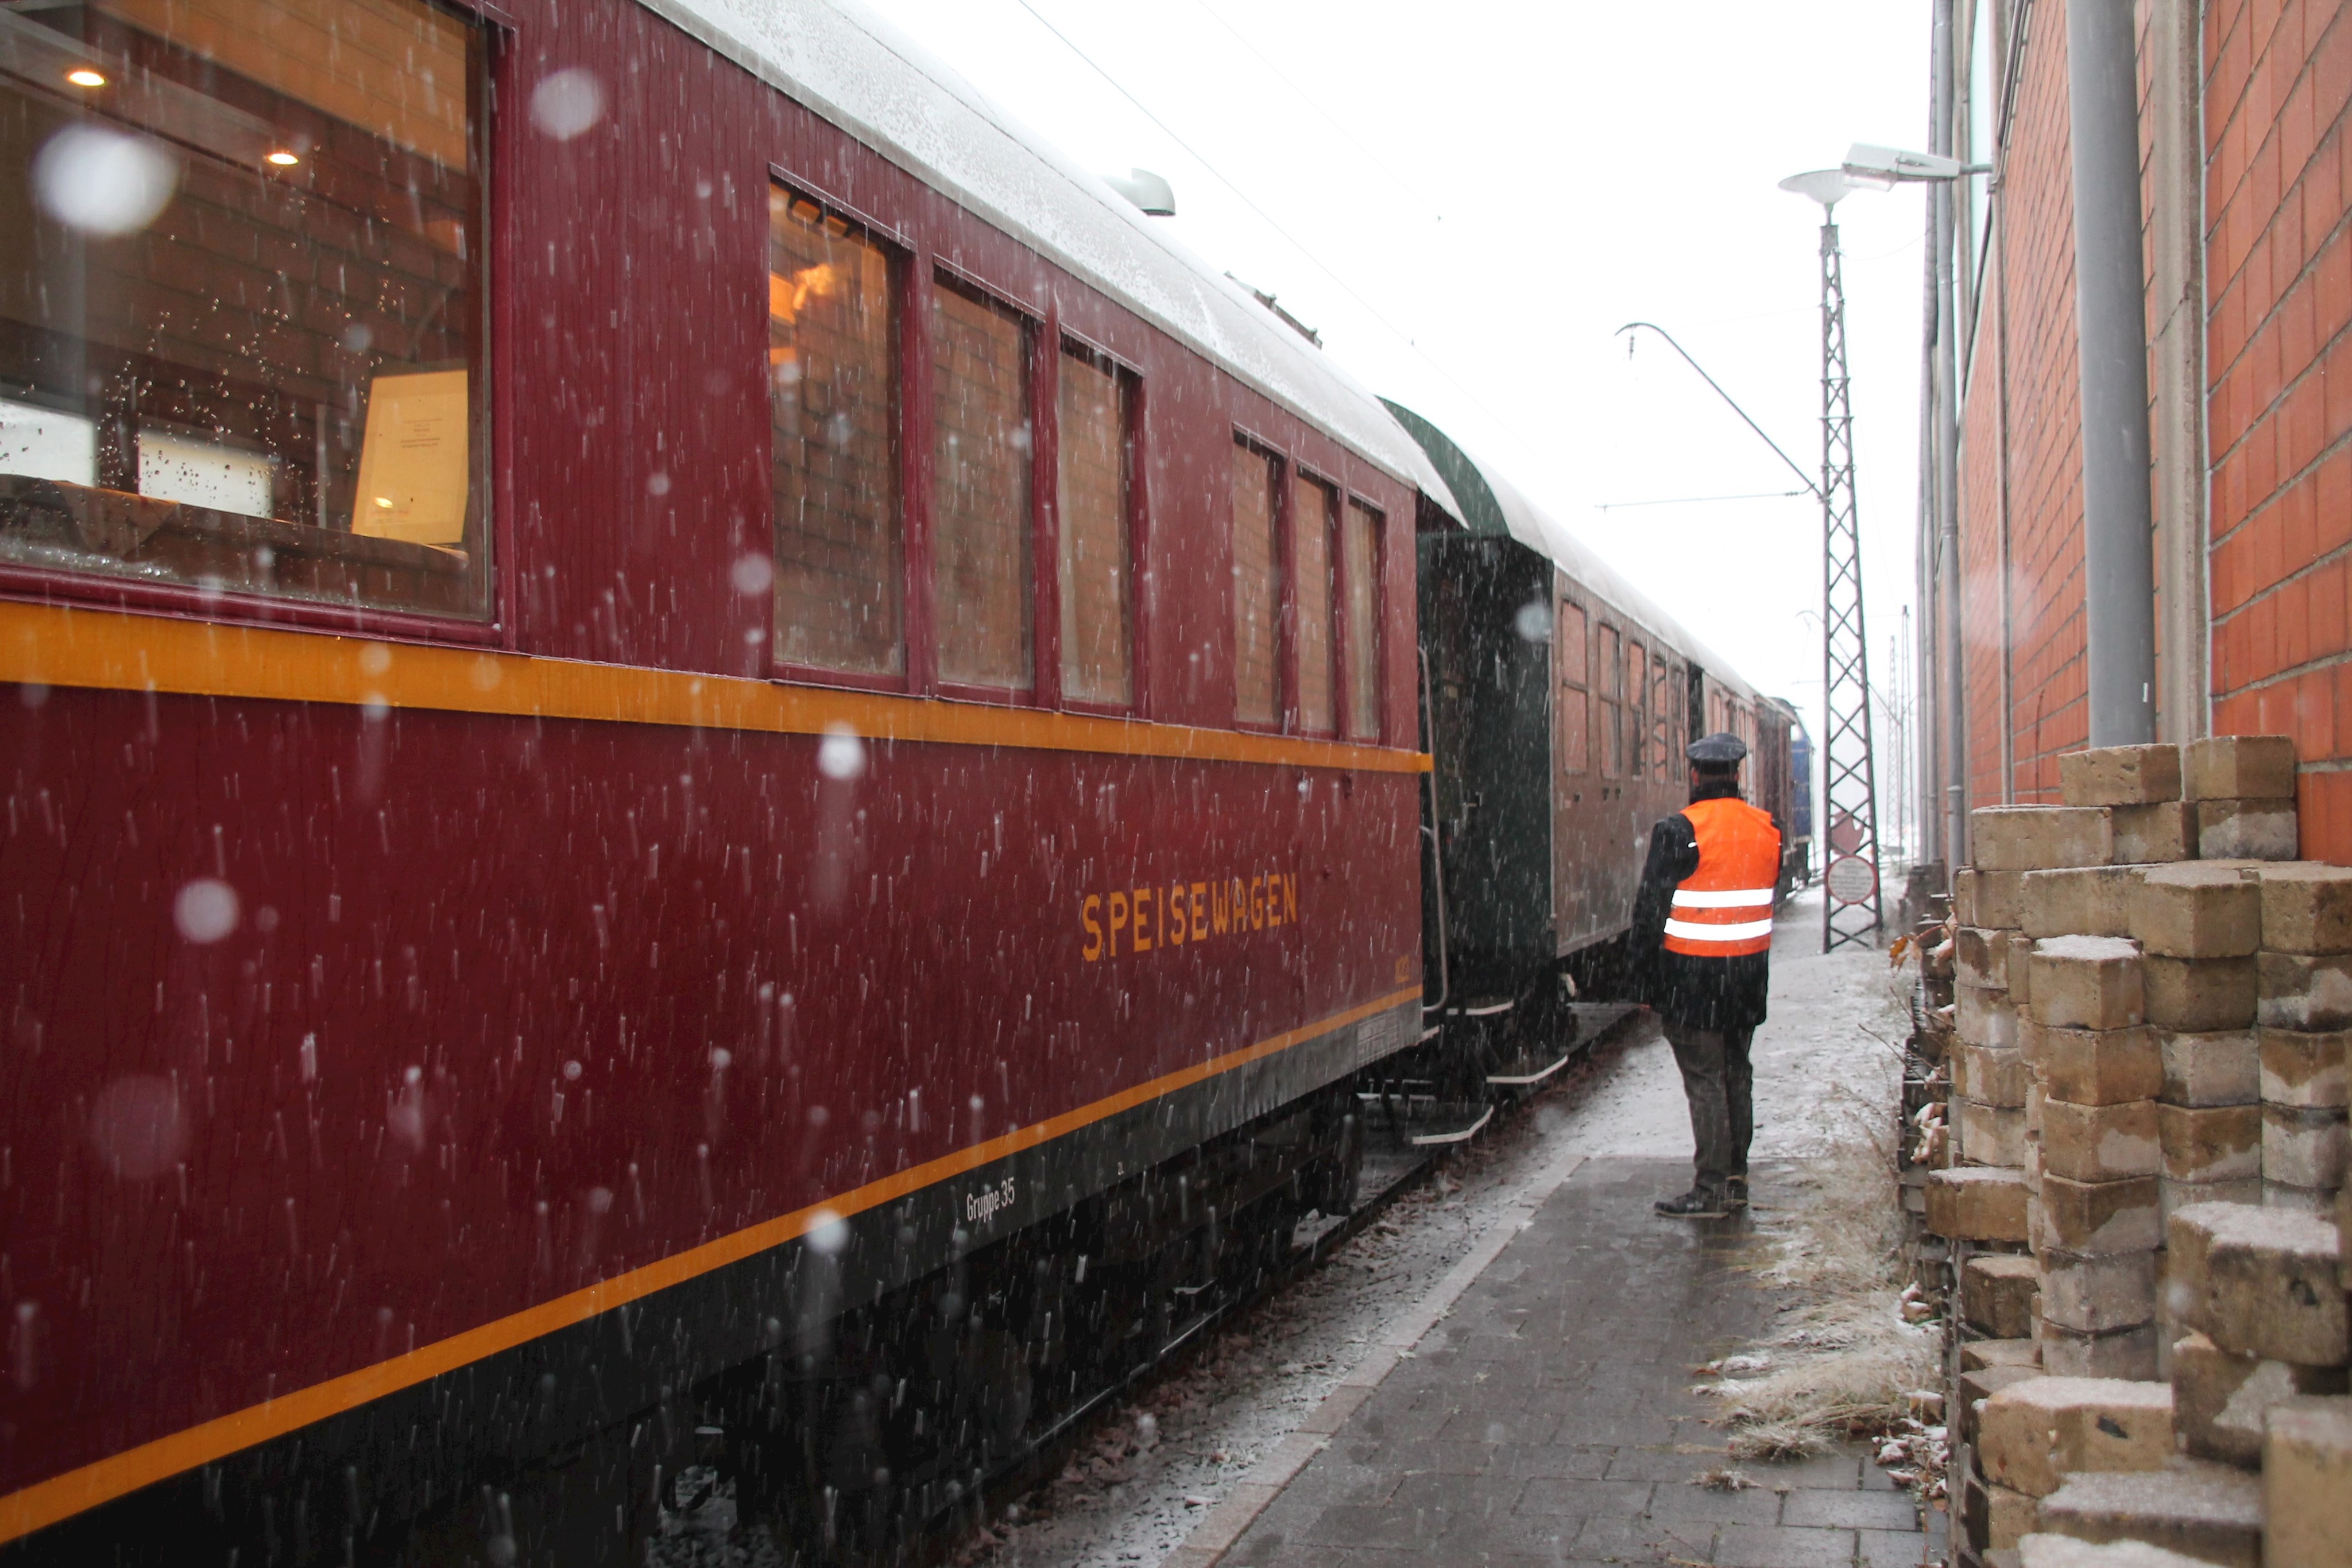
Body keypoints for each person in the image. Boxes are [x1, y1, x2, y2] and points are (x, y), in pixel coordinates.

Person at [1628, 731, 1782, 1219]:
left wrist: (1644, 982)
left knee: (1706, 1081)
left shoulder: (1679, 830)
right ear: (1736, 775)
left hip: (1692, 980)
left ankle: (1711, 1188)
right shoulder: (1767, 827)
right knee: (1737, 1073)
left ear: (1695, 775)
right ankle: (1735, 1176)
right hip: (1747, 976)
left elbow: (1650, 911)